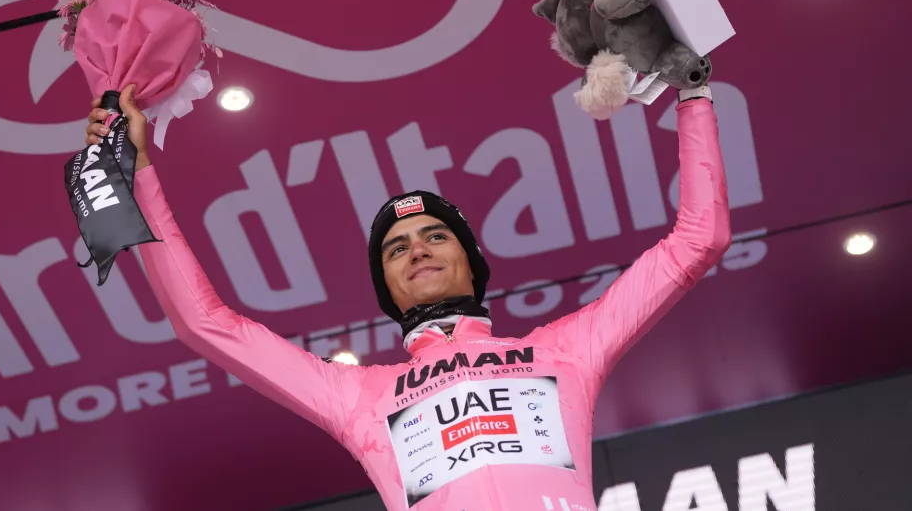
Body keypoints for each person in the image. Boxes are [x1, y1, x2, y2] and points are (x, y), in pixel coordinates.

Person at [84, 83, 730, 511]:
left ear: (471, 262)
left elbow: (699, 239)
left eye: (433, 235)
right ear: (388, 288)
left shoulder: (565, 350)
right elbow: (205, 323)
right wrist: (137, 173)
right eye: (397, 249)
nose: (417, 250)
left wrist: (694, 92)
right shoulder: (360, 397)